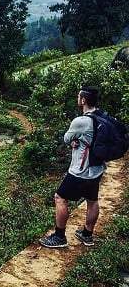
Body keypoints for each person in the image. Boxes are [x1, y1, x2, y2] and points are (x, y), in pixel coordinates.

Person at [39, 85, 107, 248]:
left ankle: (59, 237)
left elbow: (66, 137)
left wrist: (73, 140)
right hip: (97, 169)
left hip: (80, 171)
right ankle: (87, 235)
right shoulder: (102, 117)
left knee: (60, 197)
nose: (78, 99)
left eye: (79, 97)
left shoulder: (81, 121)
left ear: (83, 100)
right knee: (92, 200)